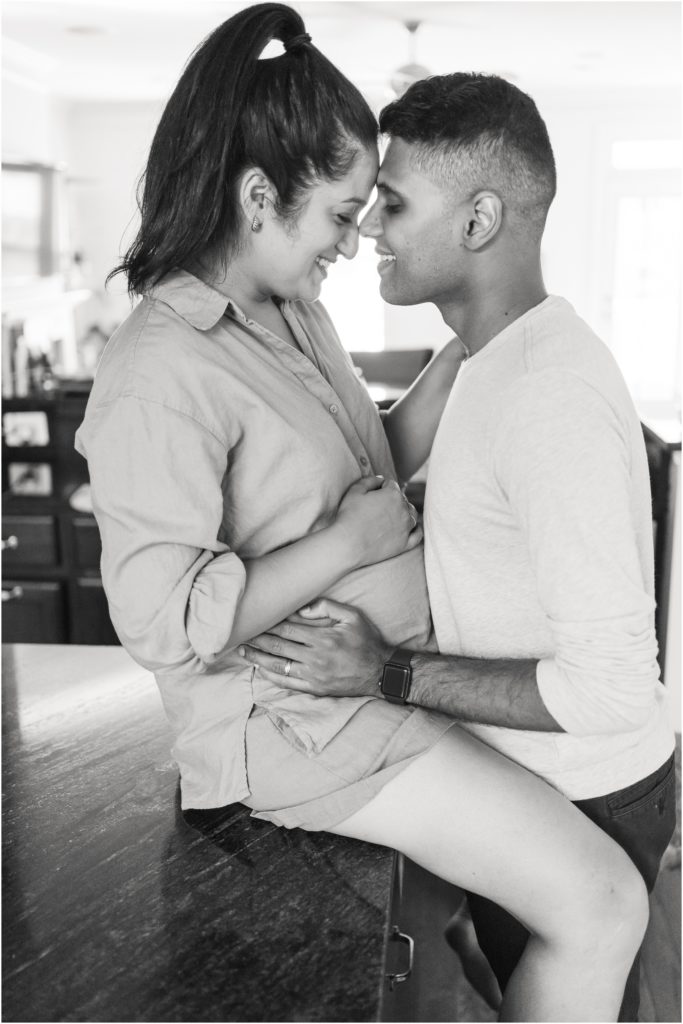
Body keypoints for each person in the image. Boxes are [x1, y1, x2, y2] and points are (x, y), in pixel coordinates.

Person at [75, 8, 649, 1020]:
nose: (358, 238)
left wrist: (485, 330)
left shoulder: (290, 309)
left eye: (369, 207)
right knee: (601, 902)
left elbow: (364, 456)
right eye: (343, 214)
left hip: (372, 698)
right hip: (304, 727)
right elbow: (161, 622)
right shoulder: (160, 367)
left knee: (497, 926)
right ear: (258, 198)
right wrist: (347, 543)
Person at [241, 71, 677, 1022]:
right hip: (526, 779)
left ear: (479, 220)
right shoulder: (482, 359)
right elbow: (385, 469)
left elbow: (610, 688)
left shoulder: (544, 395)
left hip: (586, 797)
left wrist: (384, 672)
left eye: (391, 204)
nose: (367, 234)